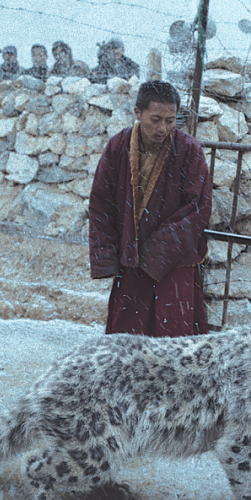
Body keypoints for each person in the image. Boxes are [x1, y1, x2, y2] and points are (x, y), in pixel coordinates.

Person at [88, 80, 212, 337]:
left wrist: (156, 252)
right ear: (138, 113)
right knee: (127, 344)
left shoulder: (189, 150)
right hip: (131, 261)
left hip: (175, 263)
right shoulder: (118, 147)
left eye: (170, 120)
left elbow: (197, 209)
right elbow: (101, 203)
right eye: (155, 119)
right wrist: (108, 255)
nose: (163, 128)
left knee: (173, 342)